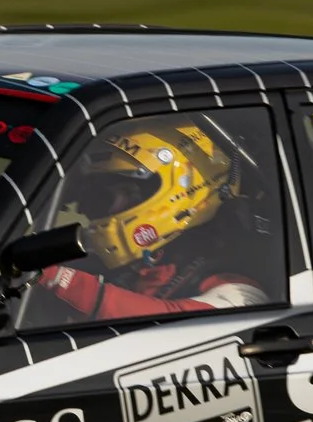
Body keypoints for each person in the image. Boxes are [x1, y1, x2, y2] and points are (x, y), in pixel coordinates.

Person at [33, 116, 277, 321]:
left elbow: (177, 321)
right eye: (99, 199)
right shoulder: (118, 267)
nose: (108, 209)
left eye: (129, 193)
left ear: (183, 192)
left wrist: (57, 278)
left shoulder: (237, 281)